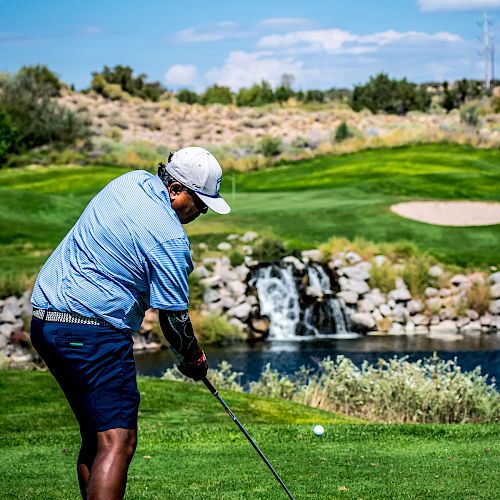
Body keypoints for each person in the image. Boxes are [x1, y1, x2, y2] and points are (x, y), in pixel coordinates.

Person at [30, 146, 231, 500]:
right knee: (119, 440)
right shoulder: (169, 237)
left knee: (98, 435)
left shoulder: (129, 182)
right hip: (91, 331)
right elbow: (173, 318)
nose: (200, 211)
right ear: (175, 189)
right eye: (198, 202)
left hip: (46, 323)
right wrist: (194, 359)